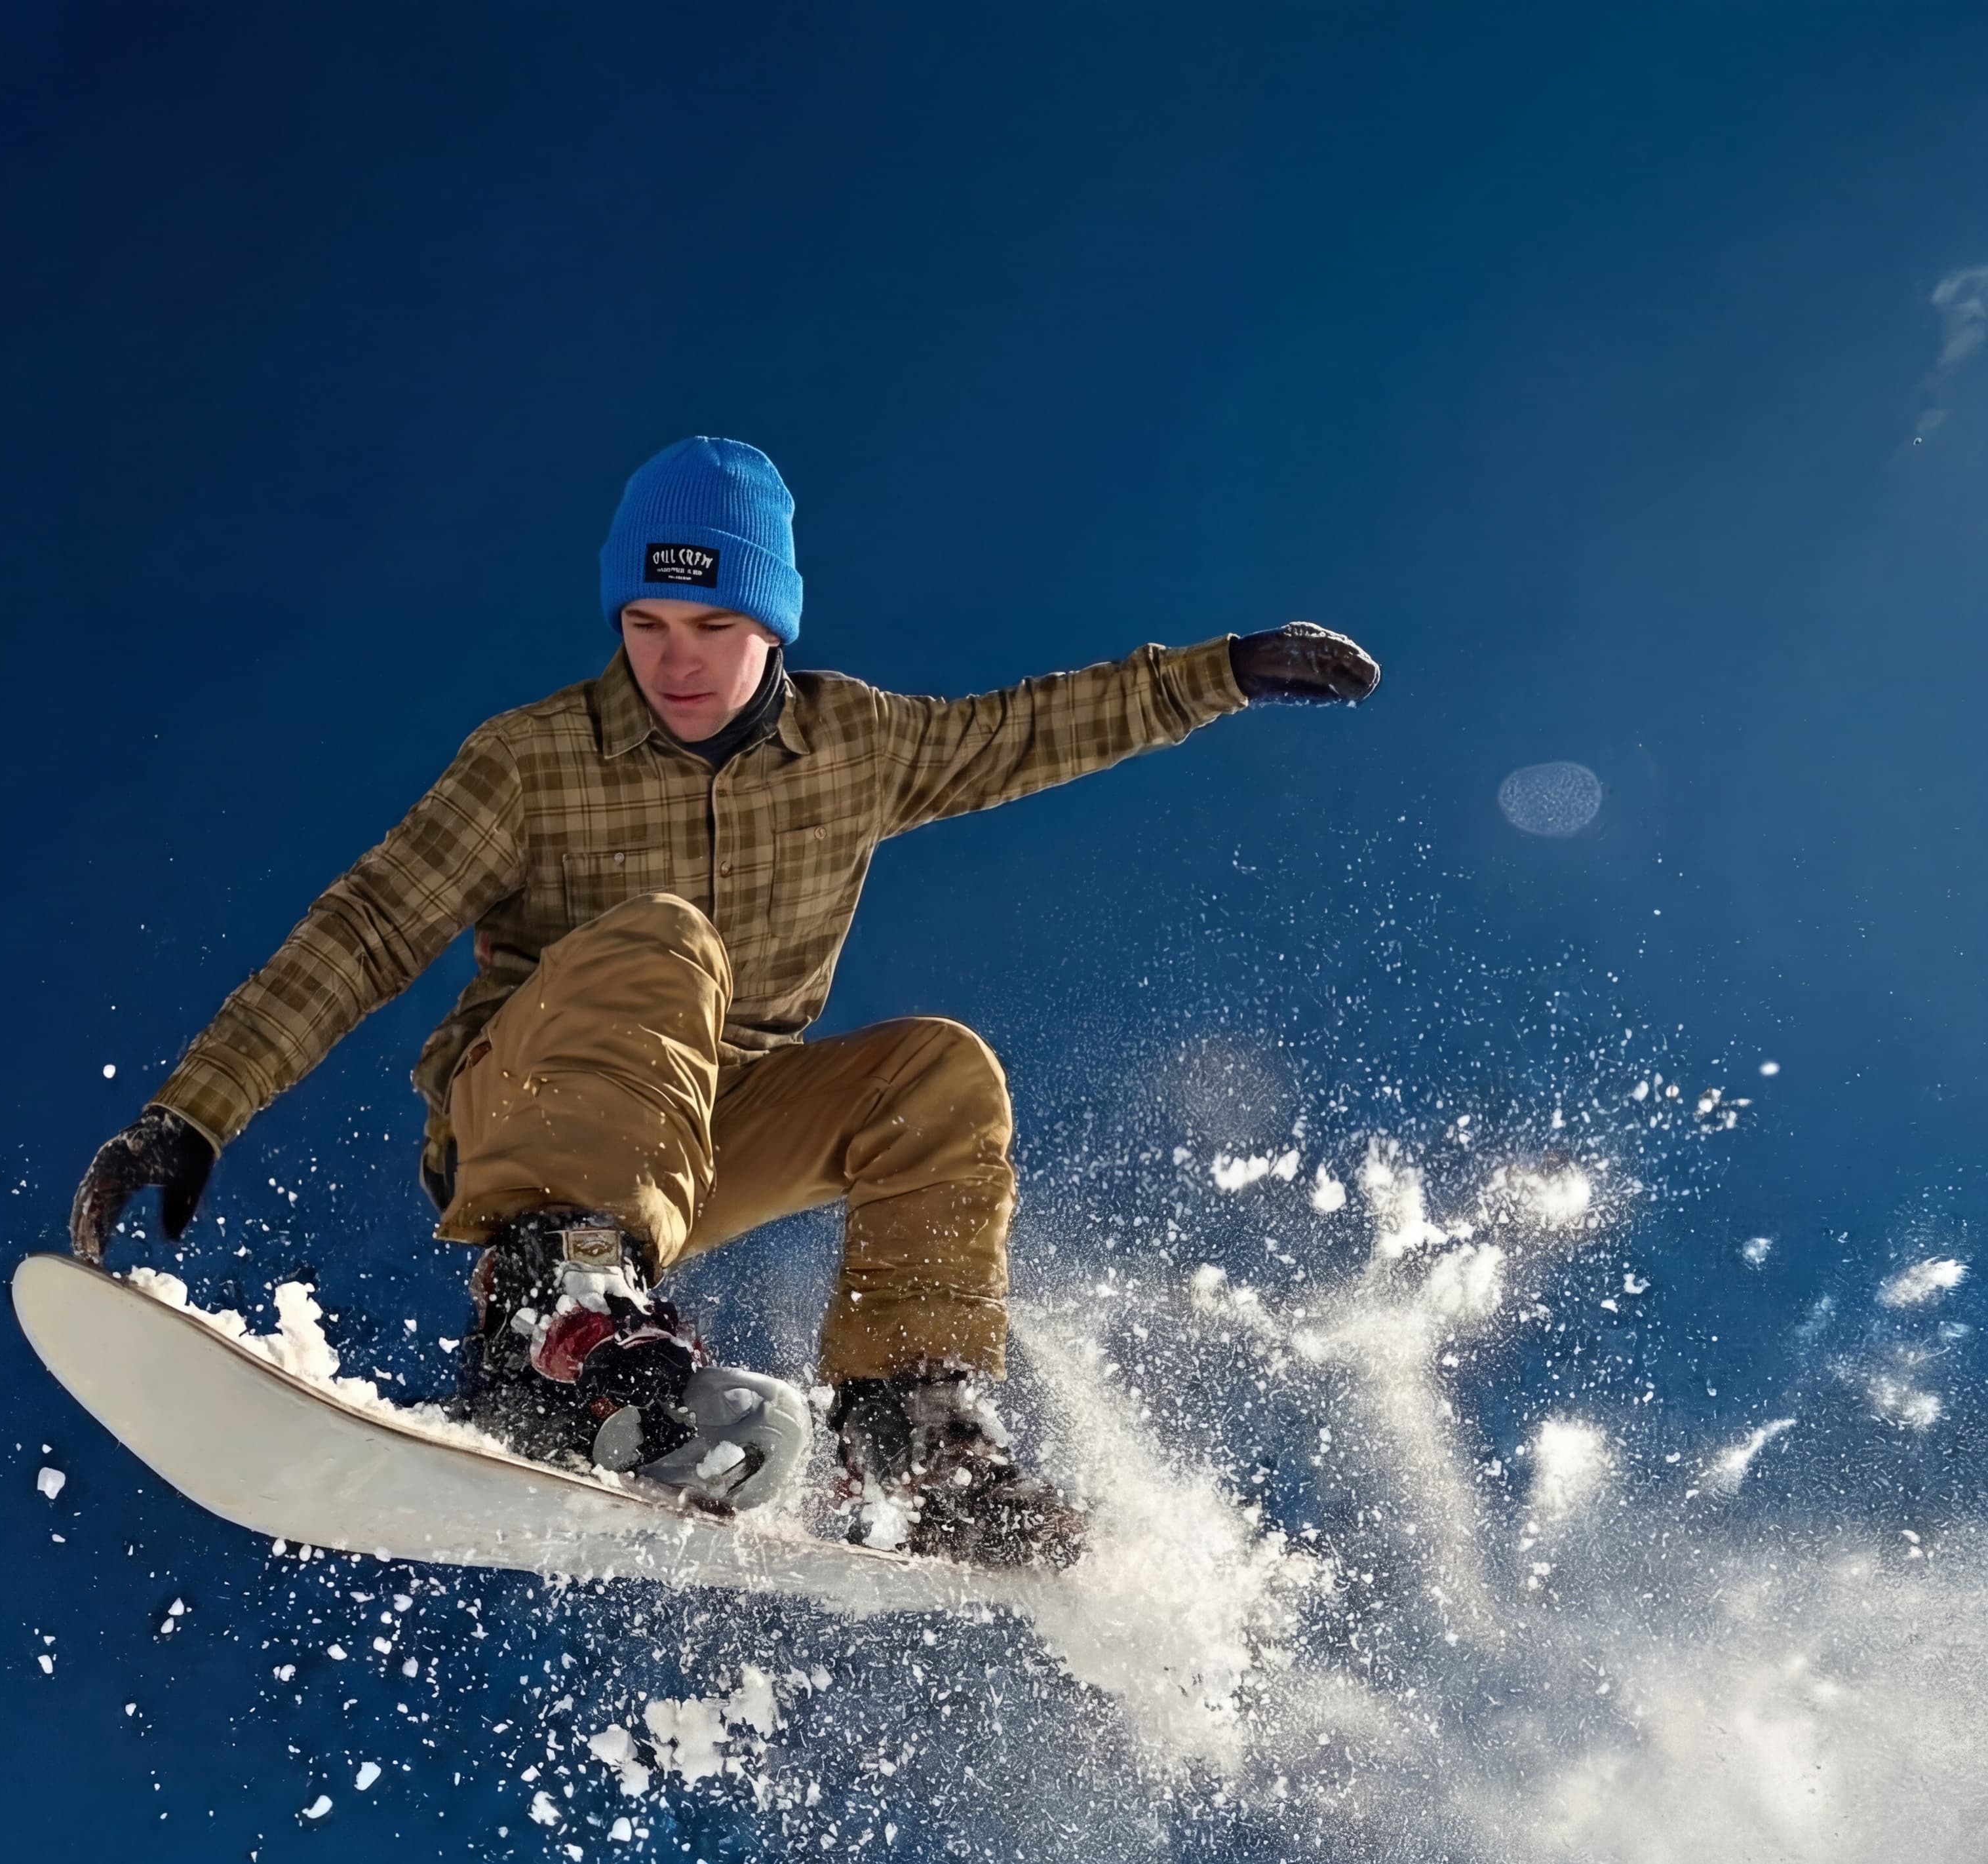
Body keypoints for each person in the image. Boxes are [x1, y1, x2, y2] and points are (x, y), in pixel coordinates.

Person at [71, 437, 1377, 1566]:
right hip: (532, 1122)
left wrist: (1224, 672)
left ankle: (910, 1436)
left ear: (773, 626)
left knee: (939, 1073)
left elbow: (1029, 730)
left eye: (711, 629)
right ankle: (547, 1317)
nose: (675, 664)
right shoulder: (530, 763)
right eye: (646, 626)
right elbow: (367, 928)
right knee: (668, 939)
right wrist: (196, 1112)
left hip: (698, 1143)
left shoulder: (857, 744)